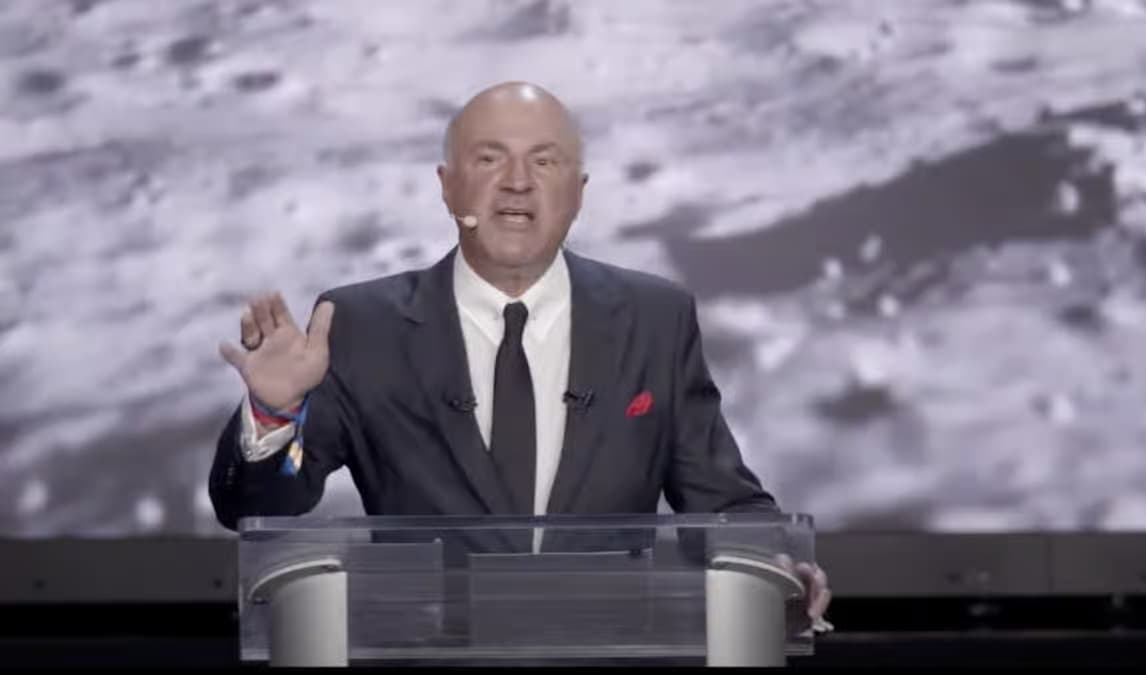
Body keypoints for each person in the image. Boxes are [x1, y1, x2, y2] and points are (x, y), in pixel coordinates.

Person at [208, 81, 831, 627]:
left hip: (611, 655)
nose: (517, 182)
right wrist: (272, 417)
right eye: (489, 158)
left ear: (578, 191)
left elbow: (722, 500)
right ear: (448, 186)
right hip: (428, 654)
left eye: (545, 160)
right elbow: (258, 511)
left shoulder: (655, 318)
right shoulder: (360, 325)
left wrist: (771, 562)